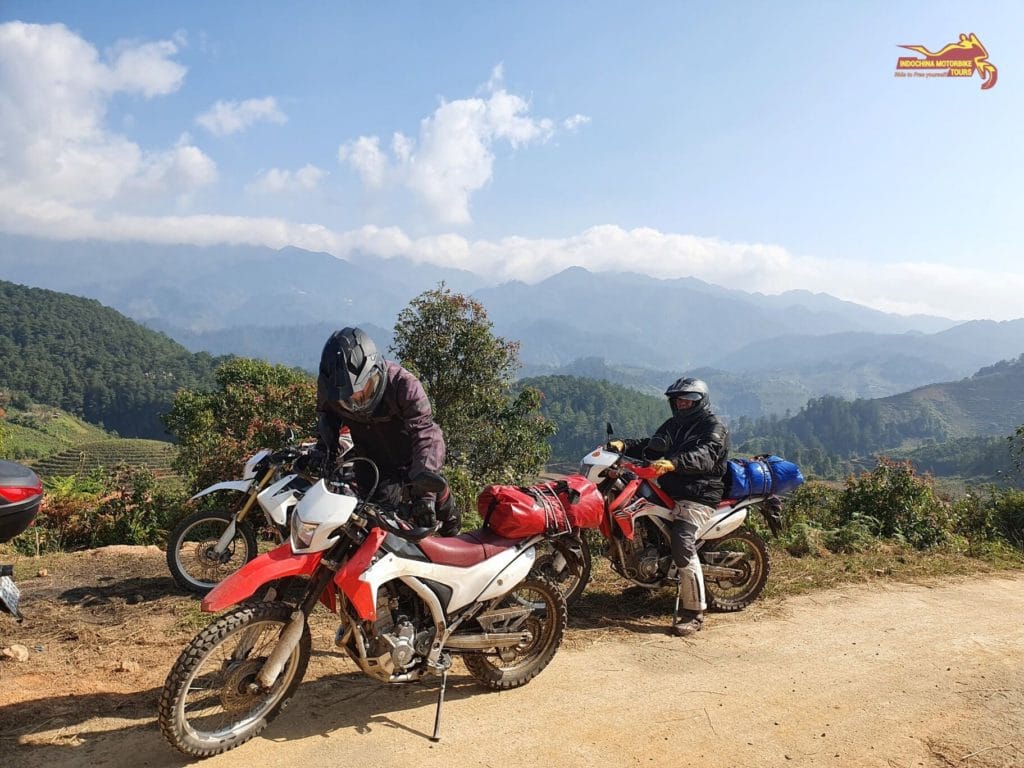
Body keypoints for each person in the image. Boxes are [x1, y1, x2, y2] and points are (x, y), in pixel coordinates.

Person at [608, 377, 729, 637]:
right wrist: (624, 445)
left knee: (681, 543)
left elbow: (706, 455)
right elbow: (652, 444)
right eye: (678, 400)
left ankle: (694, 611)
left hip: (699, 494)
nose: (682, 404)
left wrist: (674, 463)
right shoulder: (674, 424)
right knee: (643, 523)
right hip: (669, 487)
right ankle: (648, 579)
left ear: (701, 401)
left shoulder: (713, 426)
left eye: (688, 400)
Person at [315, 326, 461, 536]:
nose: (357, 400)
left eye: (365, 389)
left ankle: (449, 516)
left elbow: (426, 433)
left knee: (435, 514)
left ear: (377, 370)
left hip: (415, 460)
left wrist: (425, 495)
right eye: (347, 398)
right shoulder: (328, 390)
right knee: (376, 529)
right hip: (372, 462)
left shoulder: (404, 384)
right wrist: (323, 452)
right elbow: (326, 418)